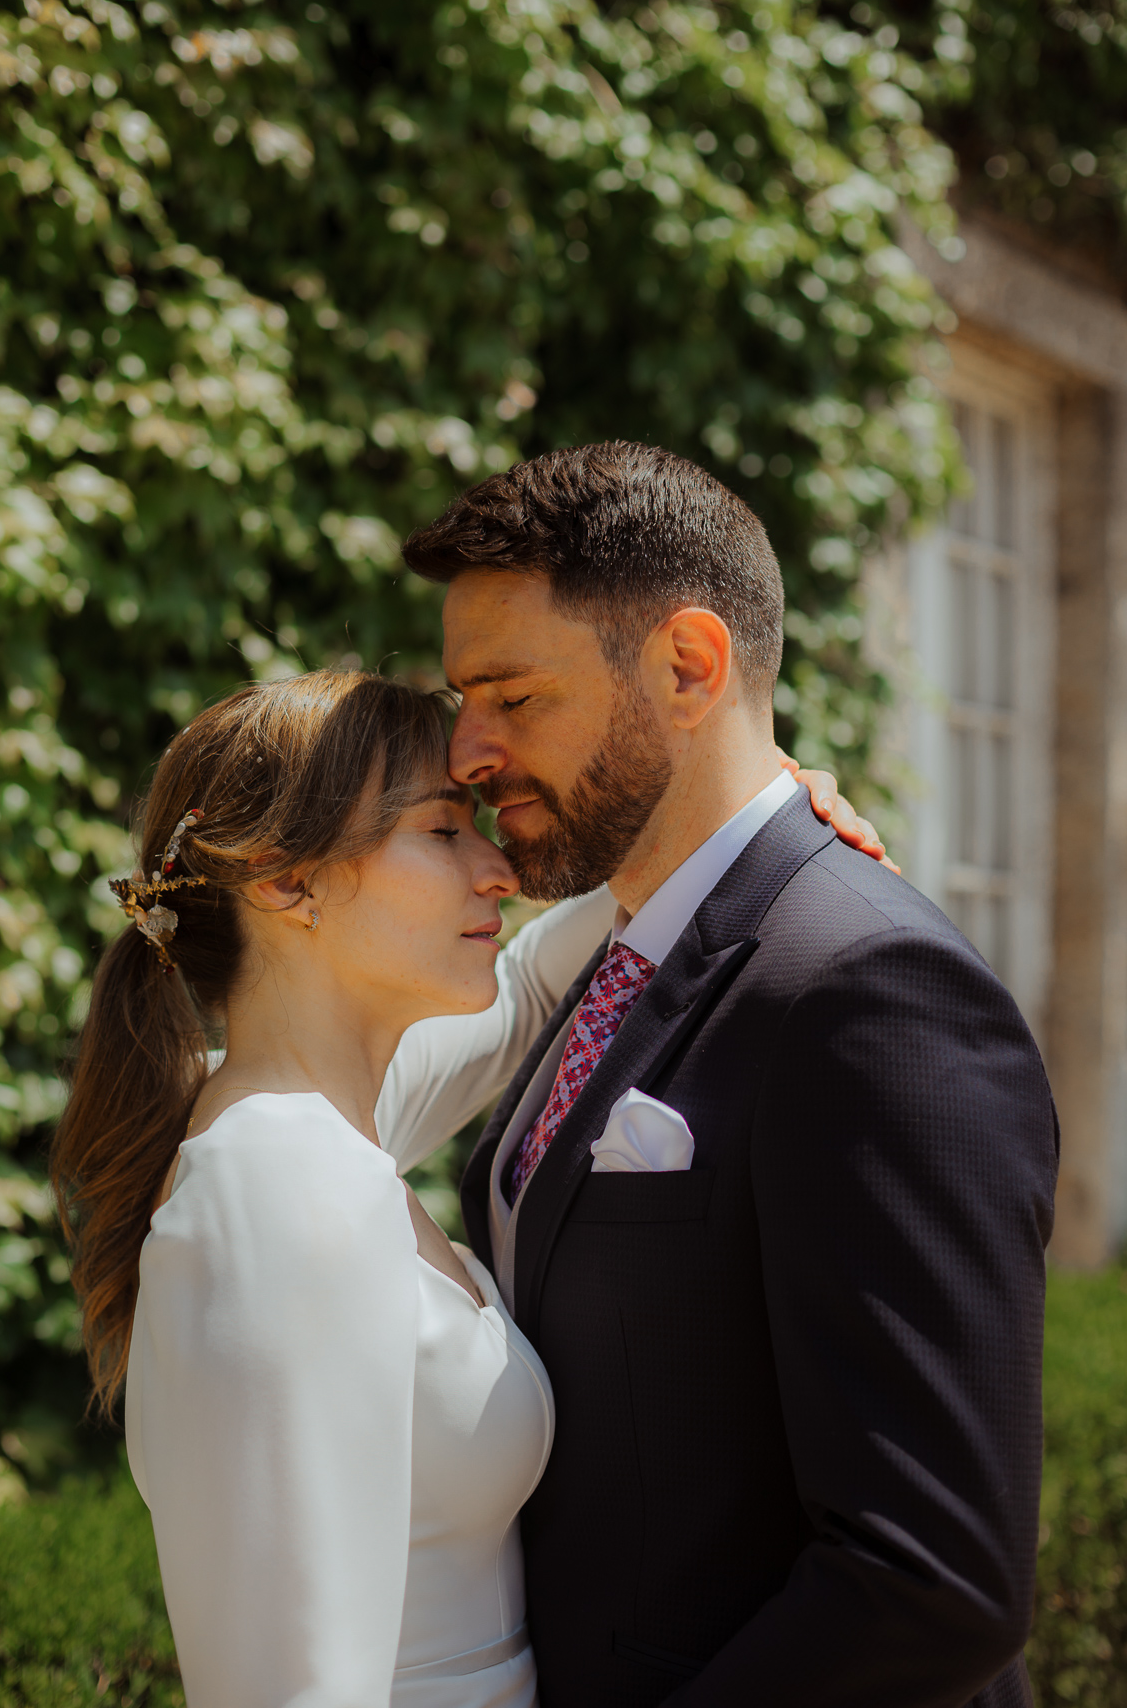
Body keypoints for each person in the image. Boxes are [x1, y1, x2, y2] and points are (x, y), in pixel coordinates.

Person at [50, 664, 867, 1707]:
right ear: (283, 880)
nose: (499, 869)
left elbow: (533, 988)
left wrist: (754, 815)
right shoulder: (276, 1189)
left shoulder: (325, 1125)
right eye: (443, 831)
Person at [402, 440, 1059, 1708]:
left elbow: (932, 1582)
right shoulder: (614, 954)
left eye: (512, 696)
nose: (466, 752)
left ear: (690, 667)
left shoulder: (874, 990)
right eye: (461, 699)